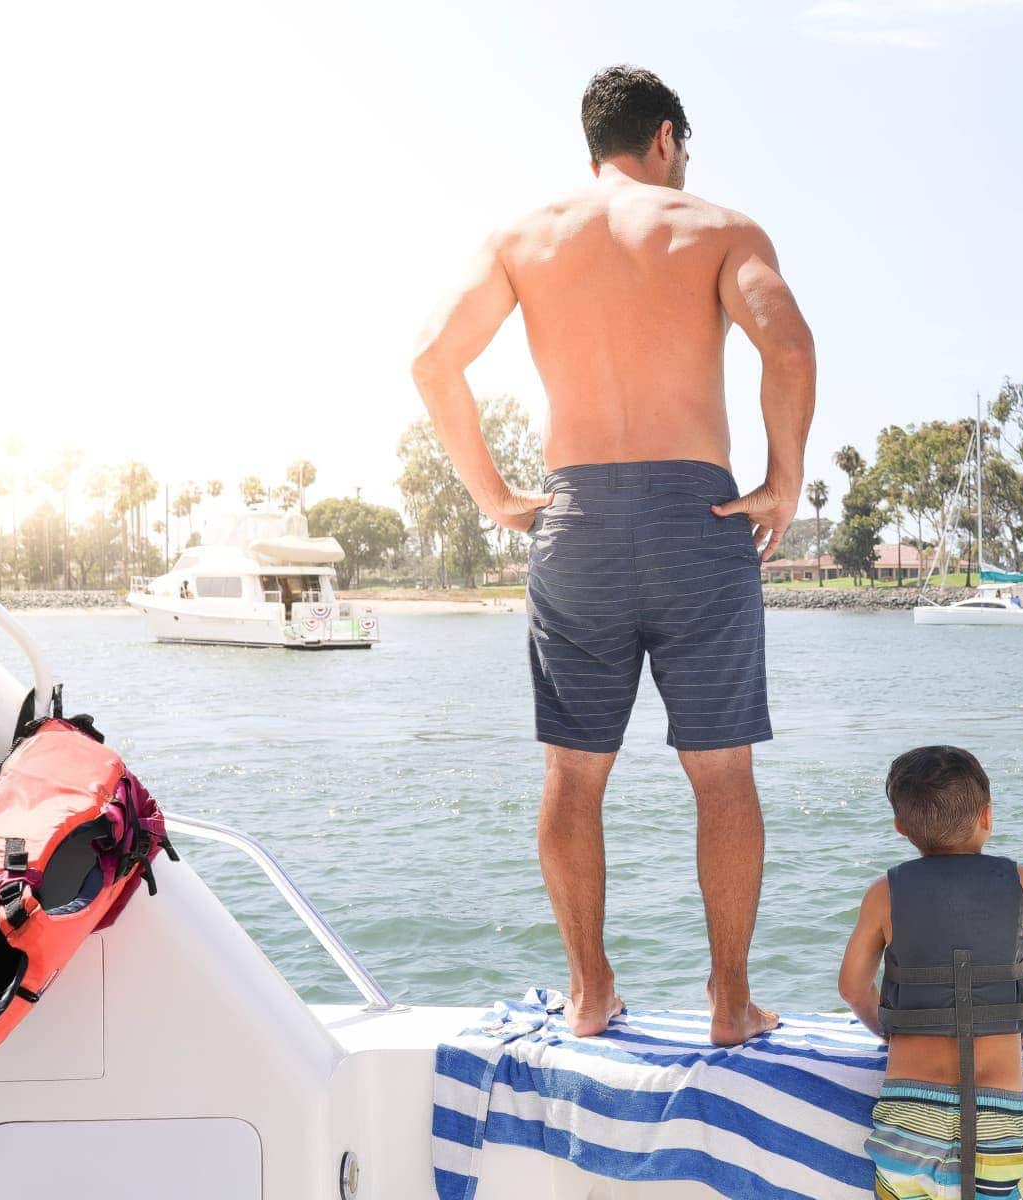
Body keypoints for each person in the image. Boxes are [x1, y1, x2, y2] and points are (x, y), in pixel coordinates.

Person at [410, 65, 815, 1044]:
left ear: (598, 146)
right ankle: (728, 1001)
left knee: (573, 774)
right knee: (722, 775)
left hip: (577, 518)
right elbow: (789, 348)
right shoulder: (716, 229)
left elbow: (433, 361)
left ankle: (589, 992)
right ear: (668, 139)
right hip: (697, 516)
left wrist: (499, 497)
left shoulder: (525, 237)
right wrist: (782, 482)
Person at [839, 746, 1023, 1200]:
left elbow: (852, 987)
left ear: (900, 827)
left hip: (908, 1115)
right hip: (996, 1118)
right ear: (987, 815)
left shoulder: (883, 893)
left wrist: (890, 1031)